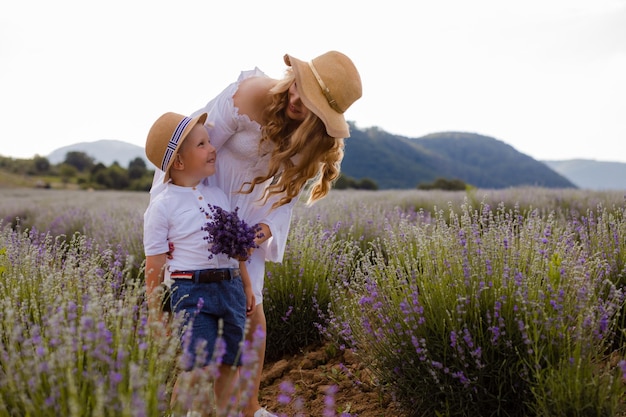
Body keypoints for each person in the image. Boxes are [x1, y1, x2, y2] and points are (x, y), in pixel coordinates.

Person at [150, 50, 362, 417]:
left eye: (309, 100)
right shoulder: (249, 96)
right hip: (204, 205)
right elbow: (191, 150)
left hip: (246, 225)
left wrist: (265, 229)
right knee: (200, 329)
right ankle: (193, 409)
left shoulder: (314, 141)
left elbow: (287, 197)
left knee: (251, 316)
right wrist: (175, 218)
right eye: (298, 87)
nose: (295, 99)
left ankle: (244, 408)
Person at [143, 111, 256, 416]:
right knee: (195, 365)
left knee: (230, 361)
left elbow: (235, 247)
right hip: (191, 293)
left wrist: (245, 283)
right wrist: (156, 314)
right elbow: (153, 265)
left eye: (209, 142)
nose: (212, 148)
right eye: (202, 144)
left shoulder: (217, 194)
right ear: (178, 162)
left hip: (230, 287)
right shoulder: (163, 205)